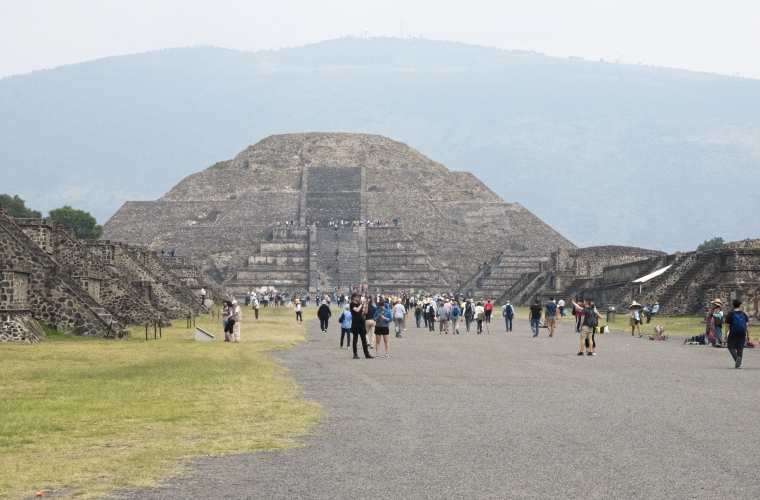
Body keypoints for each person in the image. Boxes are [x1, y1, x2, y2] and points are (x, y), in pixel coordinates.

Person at [724, 299, 750, 368]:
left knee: (730, 347)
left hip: (733, 332)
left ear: (733, 305)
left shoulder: (730, 314)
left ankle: (736, 358)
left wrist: (725, 334)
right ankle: (739, 363)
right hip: (742, 333)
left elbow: (727, 326)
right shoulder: (743, 314)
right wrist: (748, 335)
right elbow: (747, 325)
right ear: (740, 305)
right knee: (740, 348)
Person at [350, 293, 373, 359]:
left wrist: (367, 304)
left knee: (364, 339)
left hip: (361, 322)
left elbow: (365, 312)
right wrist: (362, 303)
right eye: (357, 297)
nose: (359, 298)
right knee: (355, 339)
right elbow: (357, 310)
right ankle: (355, 353)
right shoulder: (352, 304)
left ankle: (366, 353)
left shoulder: (360, 304)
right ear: (354, 297)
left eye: (359, 297)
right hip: (355, 323)